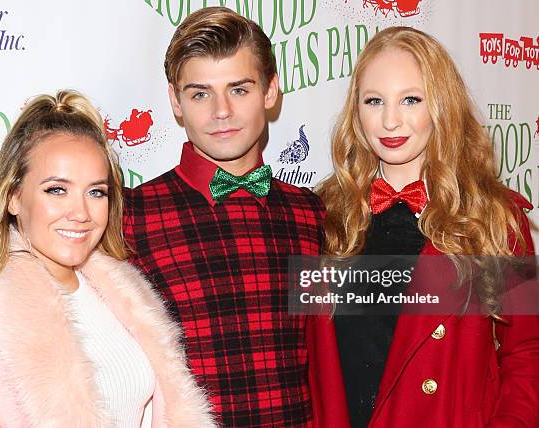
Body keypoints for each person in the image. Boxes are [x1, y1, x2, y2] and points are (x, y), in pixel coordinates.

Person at [0, 90, 215, 427]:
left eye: (96, 192)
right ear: (13, 197)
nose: (81, 213)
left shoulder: (123, 296)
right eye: (56, 189)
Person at [308, 26, 539, 427]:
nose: (390, 120)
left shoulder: (496, 219)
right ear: (356, 111)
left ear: (441, 107)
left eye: (411, 100)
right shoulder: (323, 215)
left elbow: (528, 351)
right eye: (374, 100)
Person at [123, 7, 325, 427]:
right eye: (200, 93)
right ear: (176, 101)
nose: (221, 111)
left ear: (270, 91)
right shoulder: (130, 217)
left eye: (239, 89)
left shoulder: (313, 213)